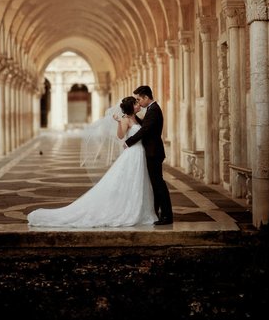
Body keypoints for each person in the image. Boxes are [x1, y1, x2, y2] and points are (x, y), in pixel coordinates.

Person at [27, 96, 156, 227]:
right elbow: (121, 136)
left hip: (139, 153)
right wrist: (118, 122)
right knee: (129, 181)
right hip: (132, 154)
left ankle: (138, 209)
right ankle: (128, 210)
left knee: (137, 181)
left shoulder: (137, 119)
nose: (139, 105)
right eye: (136, 103)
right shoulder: (126, 119)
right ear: (131, 106)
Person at [125, 85, 173, 225]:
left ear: (146, 97)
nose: (139, 102)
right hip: (152, 151)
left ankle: (166, 216)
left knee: (158, 184)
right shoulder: (151, 109)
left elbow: (145, 130)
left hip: (154, 152)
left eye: (139, 99)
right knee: (155, 184)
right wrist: (131, 117)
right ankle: (157, 213)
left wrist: (129, 142)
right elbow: (146, 125)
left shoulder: (154, 110)